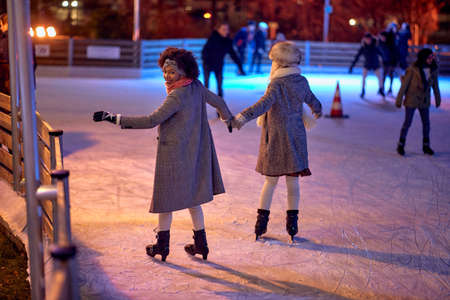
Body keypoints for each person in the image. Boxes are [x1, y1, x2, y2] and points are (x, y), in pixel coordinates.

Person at [93, 47, 233, 261]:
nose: (167, 76)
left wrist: (115, 118)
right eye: (165, 72)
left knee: (165, 200)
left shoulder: (177, 95)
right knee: (193, 198)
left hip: (174, 154)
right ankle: (201, 244)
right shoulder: (196, 87)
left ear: (184, 71)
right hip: (195, 152)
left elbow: (151, 120)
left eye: (172, 72)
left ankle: (162, 246)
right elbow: (220, 103)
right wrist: (228, 119)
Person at [231, 41, 322, 242]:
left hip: (276, 138)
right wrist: (317, 108)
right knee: (293, 182)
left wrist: (242, 118)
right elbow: (313, 100)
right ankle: (292, 223)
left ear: (279, 64)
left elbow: (263, 104)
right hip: (296, 137)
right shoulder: (301, 81)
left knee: (270, 181)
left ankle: (261, 223)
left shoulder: (276, 84)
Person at [395, 48, 441, 156]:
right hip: (412, 98)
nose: (431, 59)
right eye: (429, 57)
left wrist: (437, 98)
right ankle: (401, 144)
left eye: (432, 57)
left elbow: (435, 86)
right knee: (408, 122)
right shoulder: (413, 69)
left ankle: (426, 146)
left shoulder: (433, 69)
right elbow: (404, 85)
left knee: (426, 123)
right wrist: (399, 99)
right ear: (424, 57)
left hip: (424, 100)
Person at [202, 22, 245, 98]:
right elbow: (204, 51)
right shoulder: (212, 38)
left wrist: (240, 67)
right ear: (218, 30)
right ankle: (202, 102)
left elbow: (233, 55)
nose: (226, 31)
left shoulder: (227, 41)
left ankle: (220, 105)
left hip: (218, 65)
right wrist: (206, 61)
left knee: (219, 86)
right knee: (206, 85)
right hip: (208, 64)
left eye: (227, 29)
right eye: (224, 29)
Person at [349, 32, 384, 98]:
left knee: (380, 77)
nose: (368, 41)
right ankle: (363, 90)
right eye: (366, 39)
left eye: (369, 39)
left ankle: (381, 89)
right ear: (364, 39)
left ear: (371, 39)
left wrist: (385, 60)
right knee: (364, 77)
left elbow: (382, 54)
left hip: (375, 64)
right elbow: (357, 56)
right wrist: (352, 66)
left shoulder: (375, 46)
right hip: (367, 64)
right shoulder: (363, 47)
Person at [378, 31, 396, 95]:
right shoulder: (380, 43)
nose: (382, 38)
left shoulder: (390, 44)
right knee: (384, 74)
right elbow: (379, 51)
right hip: (385, 61)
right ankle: (382, 88)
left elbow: (394, 52)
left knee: (391, 74)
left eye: (383, 37)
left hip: (391, 61)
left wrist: (394, 62)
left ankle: (390, 88)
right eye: (381, 37)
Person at [0, 13, 9, 94]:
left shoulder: (5, 39)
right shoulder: (25, 36)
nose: (1, 27)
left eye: (1, 25)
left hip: (6, 83)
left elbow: (6, 59)